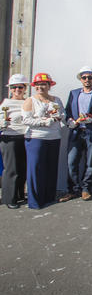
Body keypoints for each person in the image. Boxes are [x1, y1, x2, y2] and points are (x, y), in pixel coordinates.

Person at [22, 72, 66, 209]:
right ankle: (35, 201)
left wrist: (60, 116)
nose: (40, 87)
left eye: (43, 84)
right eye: (38, 84)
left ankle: (48, 197)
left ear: (49, 85)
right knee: (35, 170)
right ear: (35, 86)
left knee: (51, 169)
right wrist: (44, 122)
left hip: (54, 137)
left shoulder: (56, 100)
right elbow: (26, 120)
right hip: (36, 138)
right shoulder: (30, 100)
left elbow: (63, 114)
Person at [59, 66, 92, 202]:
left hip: (91, 132)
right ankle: (72, 190)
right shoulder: (74, 93)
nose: (87, 79)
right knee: (72, 162)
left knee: (90, 163)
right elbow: (67, 112)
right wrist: (70, 121)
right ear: (81, 79)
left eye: (90, 77)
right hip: (76, 132)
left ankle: (85, 189)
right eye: (84, 77)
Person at [0, 74, 28, 209]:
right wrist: (2, 123)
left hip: (25, 137)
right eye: (14, 87)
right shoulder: (5, 104)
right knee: (11, 169)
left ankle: (19, 194)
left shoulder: (27, 102)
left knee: (22, 169)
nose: (17, 89)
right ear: (10, 89)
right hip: (9, 138)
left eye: (20, 87)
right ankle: (9, 198)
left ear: (25, 88)